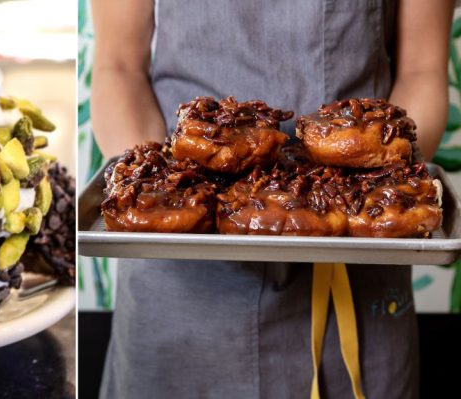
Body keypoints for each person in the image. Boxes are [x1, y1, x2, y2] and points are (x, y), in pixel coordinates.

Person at [90, 1, 453, 398]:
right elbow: (119, 67)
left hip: (356, 269)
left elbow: (422, 69)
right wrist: (149, 187)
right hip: (178, 284)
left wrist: (385, 185)